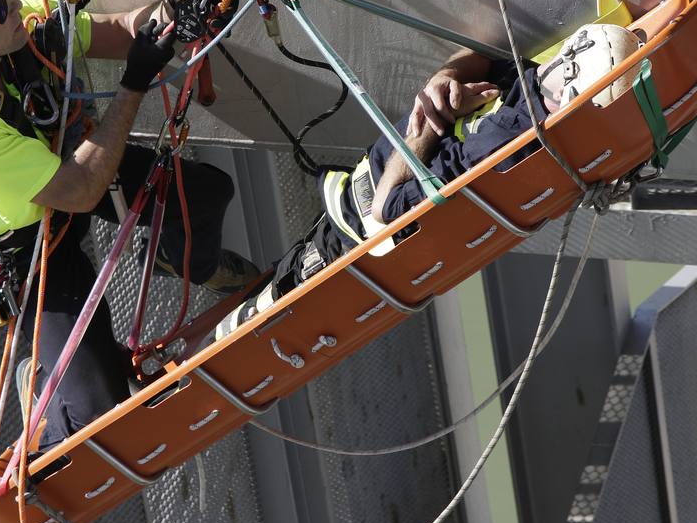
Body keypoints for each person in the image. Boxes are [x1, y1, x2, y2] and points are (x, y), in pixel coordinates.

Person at [0, 0, 258, 448]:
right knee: (95, 416)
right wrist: (136, 81)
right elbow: (80, 191)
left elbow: (125, 31)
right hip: (35, 250)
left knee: (208, 195)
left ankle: (181, 259)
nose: (15, 7)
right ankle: (40, 401)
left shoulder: (6, 29)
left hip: (62, 164)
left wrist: (172, 14)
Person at [208, 23, 641, 342]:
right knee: (283, 273)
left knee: (275, 305)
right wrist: (445, 78)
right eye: (578, 43)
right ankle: (234, 314)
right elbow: (481, 54)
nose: (565, 54)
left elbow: (388, 210)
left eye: (575, 60)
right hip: (350, 198)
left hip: (357, 237)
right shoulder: (532, 82)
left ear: (571, 95)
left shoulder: (507, 145)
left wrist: (431, 122)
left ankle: (220, 339)